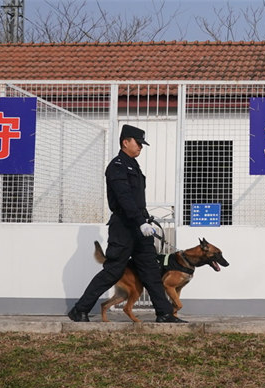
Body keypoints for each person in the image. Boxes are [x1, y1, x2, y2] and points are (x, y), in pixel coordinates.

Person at [68, 124, 185, 323]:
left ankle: (164, 313)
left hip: (140, 228)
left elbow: (138, 200)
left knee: (151, 270)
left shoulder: (134, 166)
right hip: (123, 227)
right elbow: (124, 197)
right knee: (113, 271)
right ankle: (80, 309)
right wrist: (140, 221)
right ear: (125, 142)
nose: (140, 147)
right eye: (138, 143)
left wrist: (146, 219)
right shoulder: (117, 166)